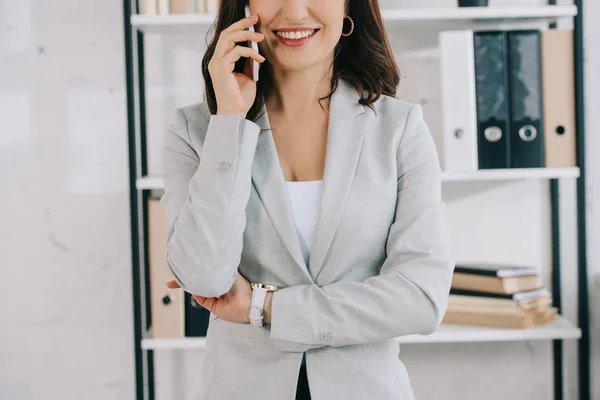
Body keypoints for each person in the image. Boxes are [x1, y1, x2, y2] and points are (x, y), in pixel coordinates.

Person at [161, 0, 455, 399]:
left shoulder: (399, 128)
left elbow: (420, 298)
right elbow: (205, 277)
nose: (296, 12)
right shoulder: (196, 130)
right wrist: (230, 119)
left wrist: (264, 307)